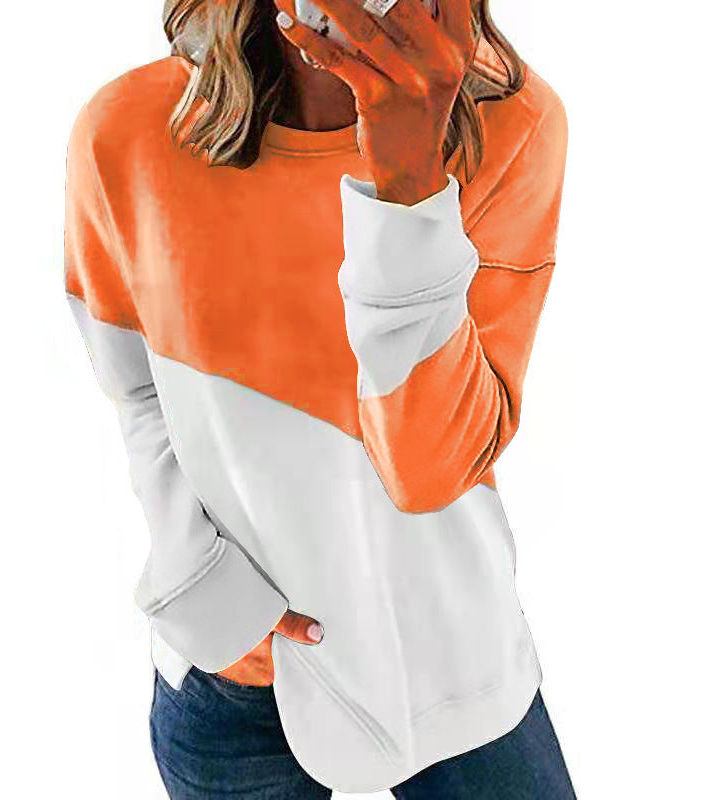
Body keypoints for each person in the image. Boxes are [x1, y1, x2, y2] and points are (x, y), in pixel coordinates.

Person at [63, 0, 575, 796]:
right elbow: (137, 392)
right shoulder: (126, 130)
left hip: (450, 657)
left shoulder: (515, 125)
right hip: (235, 676)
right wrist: (211, 595)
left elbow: (430, 471)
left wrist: (410, 192)